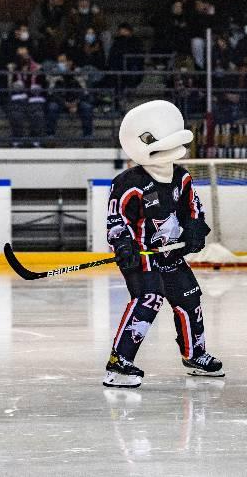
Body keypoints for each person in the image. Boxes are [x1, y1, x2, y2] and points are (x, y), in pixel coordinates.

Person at [103, 99, 223, 388]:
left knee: (190, 295)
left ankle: (195, 355)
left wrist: (195, 230)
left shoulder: (181, 178)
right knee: (149, 298)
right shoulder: (127, 183)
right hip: (141, 255)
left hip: (170, 253)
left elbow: (194, 210)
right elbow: (116, 220)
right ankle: (119, 362)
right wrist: (123, 245)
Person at [45, 52, 94, 138]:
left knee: (87, 107)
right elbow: (51, 93)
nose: (61, 64)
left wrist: (76, 103)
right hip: (60, 102)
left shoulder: (78, 73)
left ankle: (88, 136)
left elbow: (84, 92)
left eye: (63, 61)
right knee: (52, 107)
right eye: (59, 62)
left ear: (70, 62)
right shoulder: (53, 74)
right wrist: (64, 103)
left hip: (76, 102)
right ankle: (50, 135)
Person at [6, 46, 46, 147]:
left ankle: (36, 139)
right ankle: (17, 139)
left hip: (34, 100)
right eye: (22, 57)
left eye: (27, 57)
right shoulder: (14, 69)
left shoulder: (38, 69)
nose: (25, 59)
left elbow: (42, 86)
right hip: (19, 100)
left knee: (37, 114)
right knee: (16, 114)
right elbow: (11, 88)